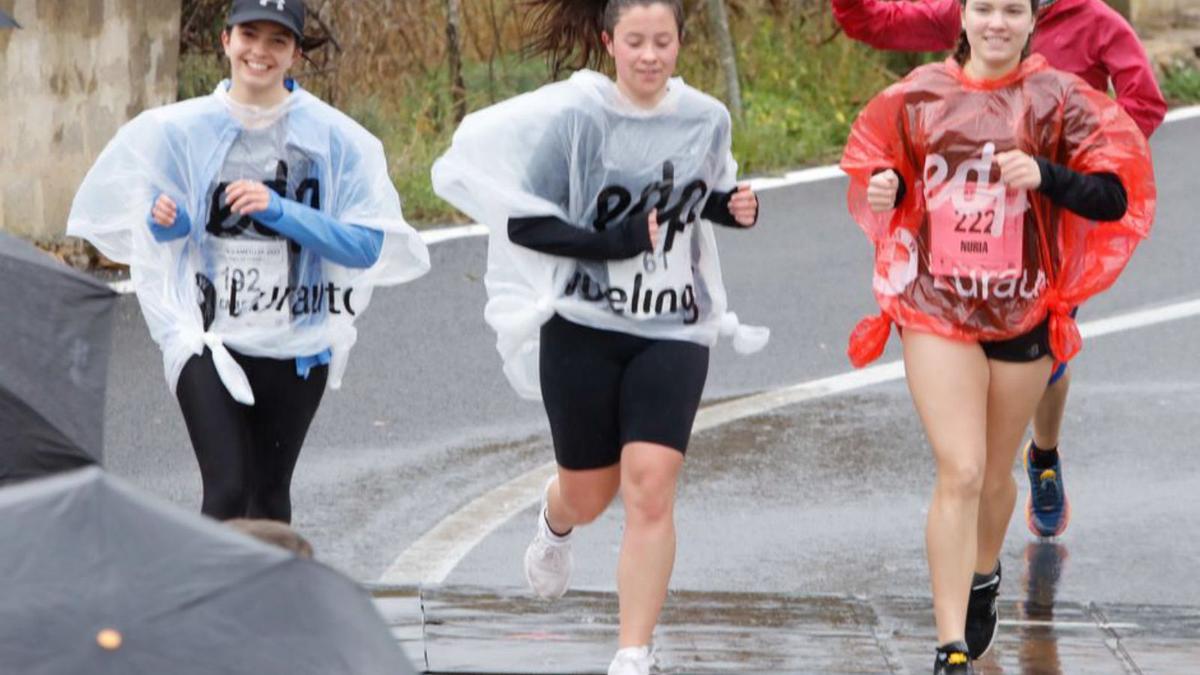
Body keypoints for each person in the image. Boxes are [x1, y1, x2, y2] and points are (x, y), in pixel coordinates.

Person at [432, 1, 767, 672]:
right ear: (610, 43)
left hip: (675, 324)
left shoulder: (706, 118)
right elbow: (524, 224)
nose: (650, 56)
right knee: (590, 494)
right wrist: (605, 243)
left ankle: (633, 650)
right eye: (636, 42)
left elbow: (699, 196)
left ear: (680, 44)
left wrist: (733, 208)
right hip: (583, 326)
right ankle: (555, 521)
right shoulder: (579, 121)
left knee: (651, 482)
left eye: (663, 42)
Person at [840, 0, 1155, 670]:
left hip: (1022, 310)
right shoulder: (919, 96)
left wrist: (1046, 175)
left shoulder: (1059, 99)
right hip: (936, 308)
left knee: (992, 475)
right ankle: (950, 645)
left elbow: (1114, 197)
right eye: (984, 7)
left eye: (1013, 9)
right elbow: (888, 175)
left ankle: (983, 570)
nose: (997, 22)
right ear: (961, 17)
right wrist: (886, 189)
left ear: (1032, 22)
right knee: (960, 467)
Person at [68, 0, 430, 523]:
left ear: (295, 56)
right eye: (249, 35)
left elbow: (366, 246)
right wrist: (164, 219)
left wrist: (281, 210)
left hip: (296, 340)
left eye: (277, 41)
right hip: (207, 338)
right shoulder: (181, 131)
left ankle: (264, 604)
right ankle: (208, 603)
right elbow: (166, 233)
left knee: (268, 496)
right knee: (227, 490)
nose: (260, 51)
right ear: (226, 41)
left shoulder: (335, 139)